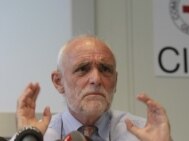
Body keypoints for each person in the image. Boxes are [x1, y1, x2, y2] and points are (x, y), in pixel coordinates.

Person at [14, 35, 172, 141]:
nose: (96, 79)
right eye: (83, 69)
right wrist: (27, 137)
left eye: (105, 69)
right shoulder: (36, 135)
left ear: (115, 81)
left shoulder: (142, 134)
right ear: (58, 82)